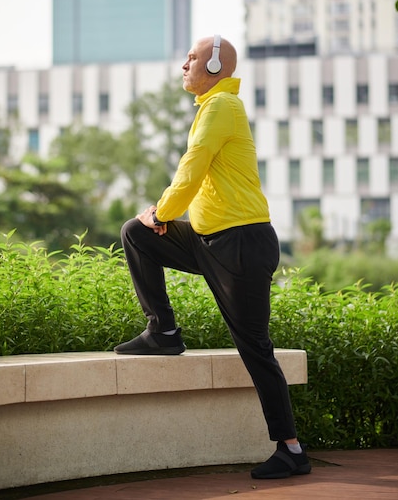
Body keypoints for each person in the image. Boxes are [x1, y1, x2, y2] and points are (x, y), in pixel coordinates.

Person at [115, 35, 311, 480]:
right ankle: (163, 330)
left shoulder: (222, 107)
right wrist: (157, 220)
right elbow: (199, 174)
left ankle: (292, 450)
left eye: (192, 58)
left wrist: (161, 212)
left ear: (216, 65)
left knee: (255, 347)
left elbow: (193, 164)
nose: (184, 65)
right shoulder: (211, 107)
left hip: (242, 243)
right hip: (208, 240)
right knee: (135, 233)